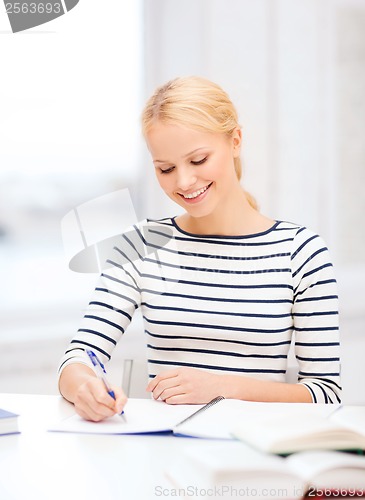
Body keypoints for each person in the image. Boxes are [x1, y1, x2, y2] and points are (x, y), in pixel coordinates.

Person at [58, 76, 341, 422]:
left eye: (198, 160)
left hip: (256, 458)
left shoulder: (301, 252)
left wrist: (222, 388)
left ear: (235, 140)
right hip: (162, 453)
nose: (183, 182)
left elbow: (326, 395)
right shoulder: (141, 246)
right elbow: (81, 355)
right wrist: (84, 385)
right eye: (166, 168)